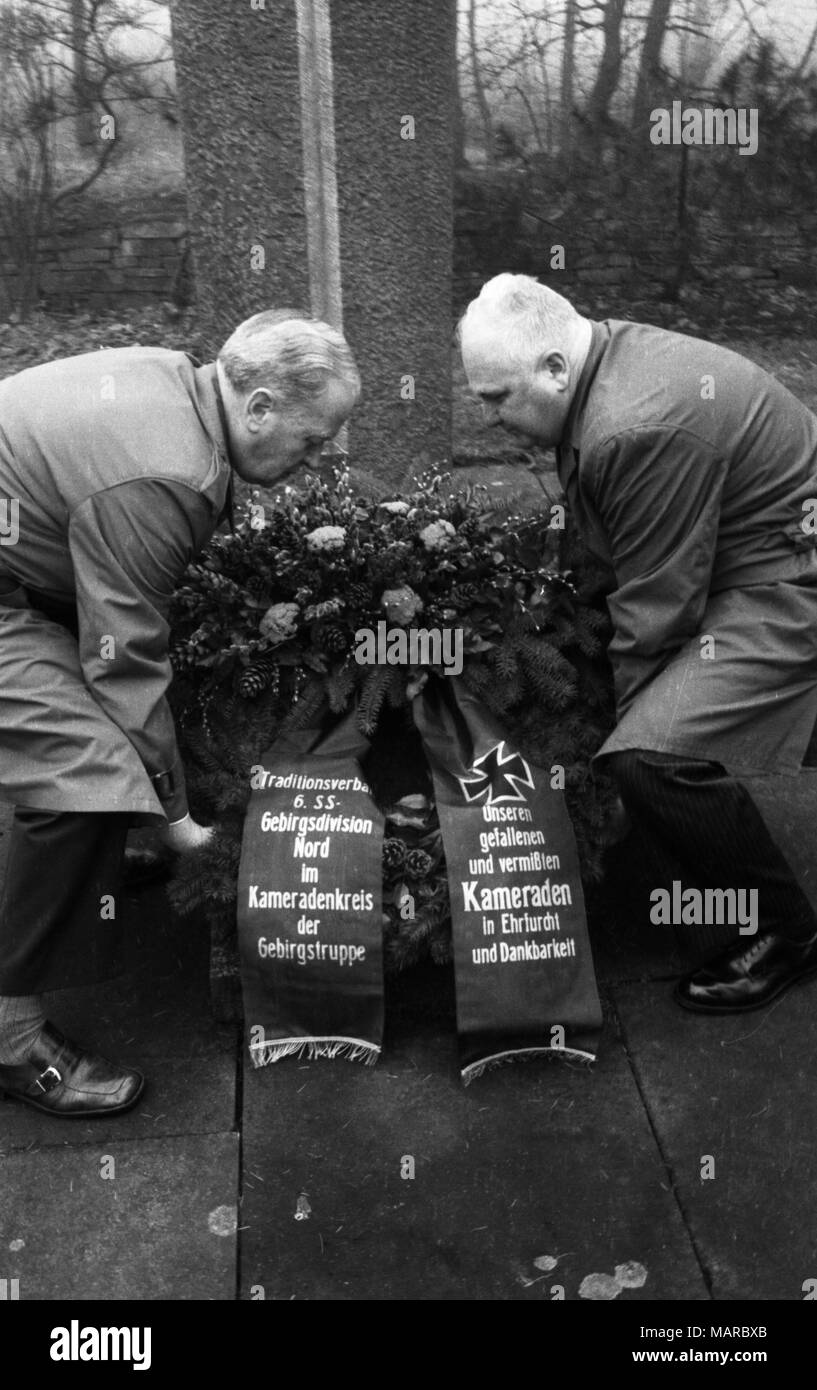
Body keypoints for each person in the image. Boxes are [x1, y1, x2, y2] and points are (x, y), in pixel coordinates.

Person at [0, 310, 360, 1116]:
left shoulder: (184, 386)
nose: (312, 464)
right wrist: (180, 825)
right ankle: (10, 1038)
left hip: (21, 567)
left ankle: (103, 843)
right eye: (310, 442)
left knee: (108, 738)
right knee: (80, 771)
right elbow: (121, 663)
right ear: (258, 406)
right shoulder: (166, 473)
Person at [459, 273, 817, 1014]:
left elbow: (657, 610)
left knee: (651, 756)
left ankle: (785, 931)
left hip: (784, 581)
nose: (485, 415)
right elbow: (610, 540)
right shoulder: (600, 367)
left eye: (495, 396)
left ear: (555, 369)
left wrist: (614, 739)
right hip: (731, 555)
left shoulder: (638, 424)